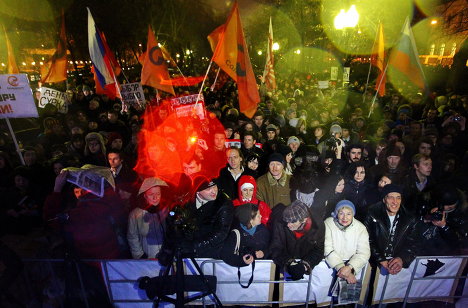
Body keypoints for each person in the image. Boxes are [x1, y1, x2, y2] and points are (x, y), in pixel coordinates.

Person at [364, 184, 420, 275]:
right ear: (384, 199)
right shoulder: (372, 213)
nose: (395, 202)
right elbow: (367, 239)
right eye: (391, 197)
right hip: (372, 263)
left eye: (398, 198)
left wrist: (401, 259)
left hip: (397, 267)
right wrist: (380, 259)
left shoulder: (409, 218)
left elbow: (413, 243)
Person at [269, 200, 325, 280]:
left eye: (293, 221)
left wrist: (305, 265)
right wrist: (289, 263)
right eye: (287, 221)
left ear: (304, 220)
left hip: (305, 270)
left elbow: (318, 250)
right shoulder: (280, 223)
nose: (288, 225)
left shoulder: (318, 225)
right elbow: (275, 248)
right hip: (283, 267)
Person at [324, 200, 370, 284]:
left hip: (352, 267)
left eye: (349, 214)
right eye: (341, 213)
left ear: (353, 214)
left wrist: (349, 268)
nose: (345, 218)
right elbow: (327, 248)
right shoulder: (328, 223)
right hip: (332, 264)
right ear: (336, 213)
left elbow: (364, 252)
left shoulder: (360, 228)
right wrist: (341, 267)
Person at [127, 178, 169, 259]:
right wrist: (140, 256)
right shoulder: (135, 214)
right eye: (151, 194)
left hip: (167, 259)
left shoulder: (167, 211)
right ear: (145, 196)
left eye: (158, 194)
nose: (155, 197)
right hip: (148, 259)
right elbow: (132, 237)